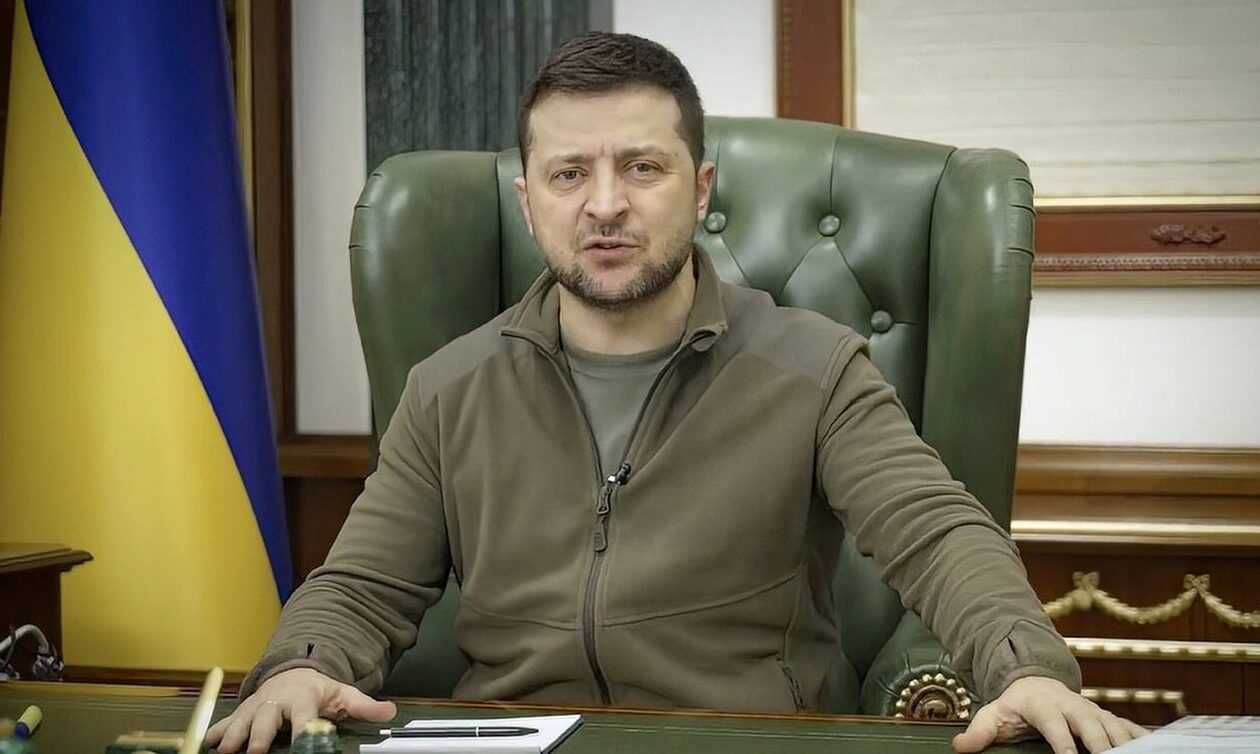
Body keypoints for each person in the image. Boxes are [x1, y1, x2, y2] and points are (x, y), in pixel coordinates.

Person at [208, 32, 1147, 754]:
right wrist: (299, 667)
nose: (604, 204)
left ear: (699, 191)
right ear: (530, 205)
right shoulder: (450, 387)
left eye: (642, 167)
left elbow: (937, 532)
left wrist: (1025, 669)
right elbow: (363, 585)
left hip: (742, 741)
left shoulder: (816, 368)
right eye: (569, 174)